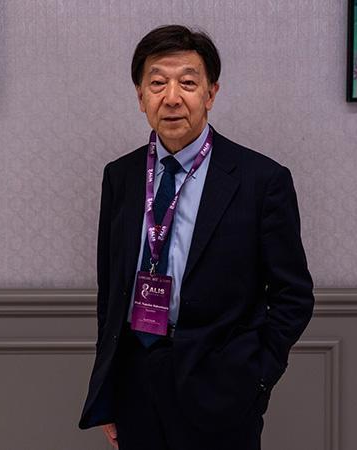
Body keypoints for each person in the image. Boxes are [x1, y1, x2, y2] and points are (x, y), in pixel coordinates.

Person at [78, 24, 314, 450]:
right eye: (157, 83)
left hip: (221, 388)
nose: (171, 97)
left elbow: (293, 296)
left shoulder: (262, 180)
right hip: (135, 382)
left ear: (210, 94)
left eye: (187, 83)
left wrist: (256, 379)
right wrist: (107, 389)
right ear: (140, 96)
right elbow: (110, 291)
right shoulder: (121, 176)